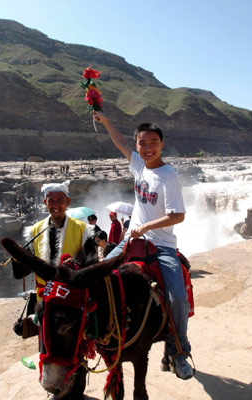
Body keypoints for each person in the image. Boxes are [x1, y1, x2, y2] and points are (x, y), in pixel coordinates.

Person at [93, 111, 194, 380]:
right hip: (131, 240)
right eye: (142, 143)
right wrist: (106, 121)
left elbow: (178, 215)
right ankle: (92, 336)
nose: (147, 148)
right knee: (97, 274)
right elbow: (121, 145)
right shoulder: (138, 166)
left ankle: (179, 351)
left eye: (153, 143)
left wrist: (146, 227)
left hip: (161, 245)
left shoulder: (168, 176)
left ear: (162, 144)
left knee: (178, 298)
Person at [17, 180, 93, 301]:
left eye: (60, 200)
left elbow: (91, 267)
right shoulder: (34, 231)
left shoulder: (83, 231)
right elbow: (20, 273)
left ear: (68, 202)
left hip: (72, 299)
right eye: (51, 200)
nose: (55, 205)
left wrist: (74, 266)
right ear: (45, 203)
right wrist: (18, 257)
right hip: (43, 299)